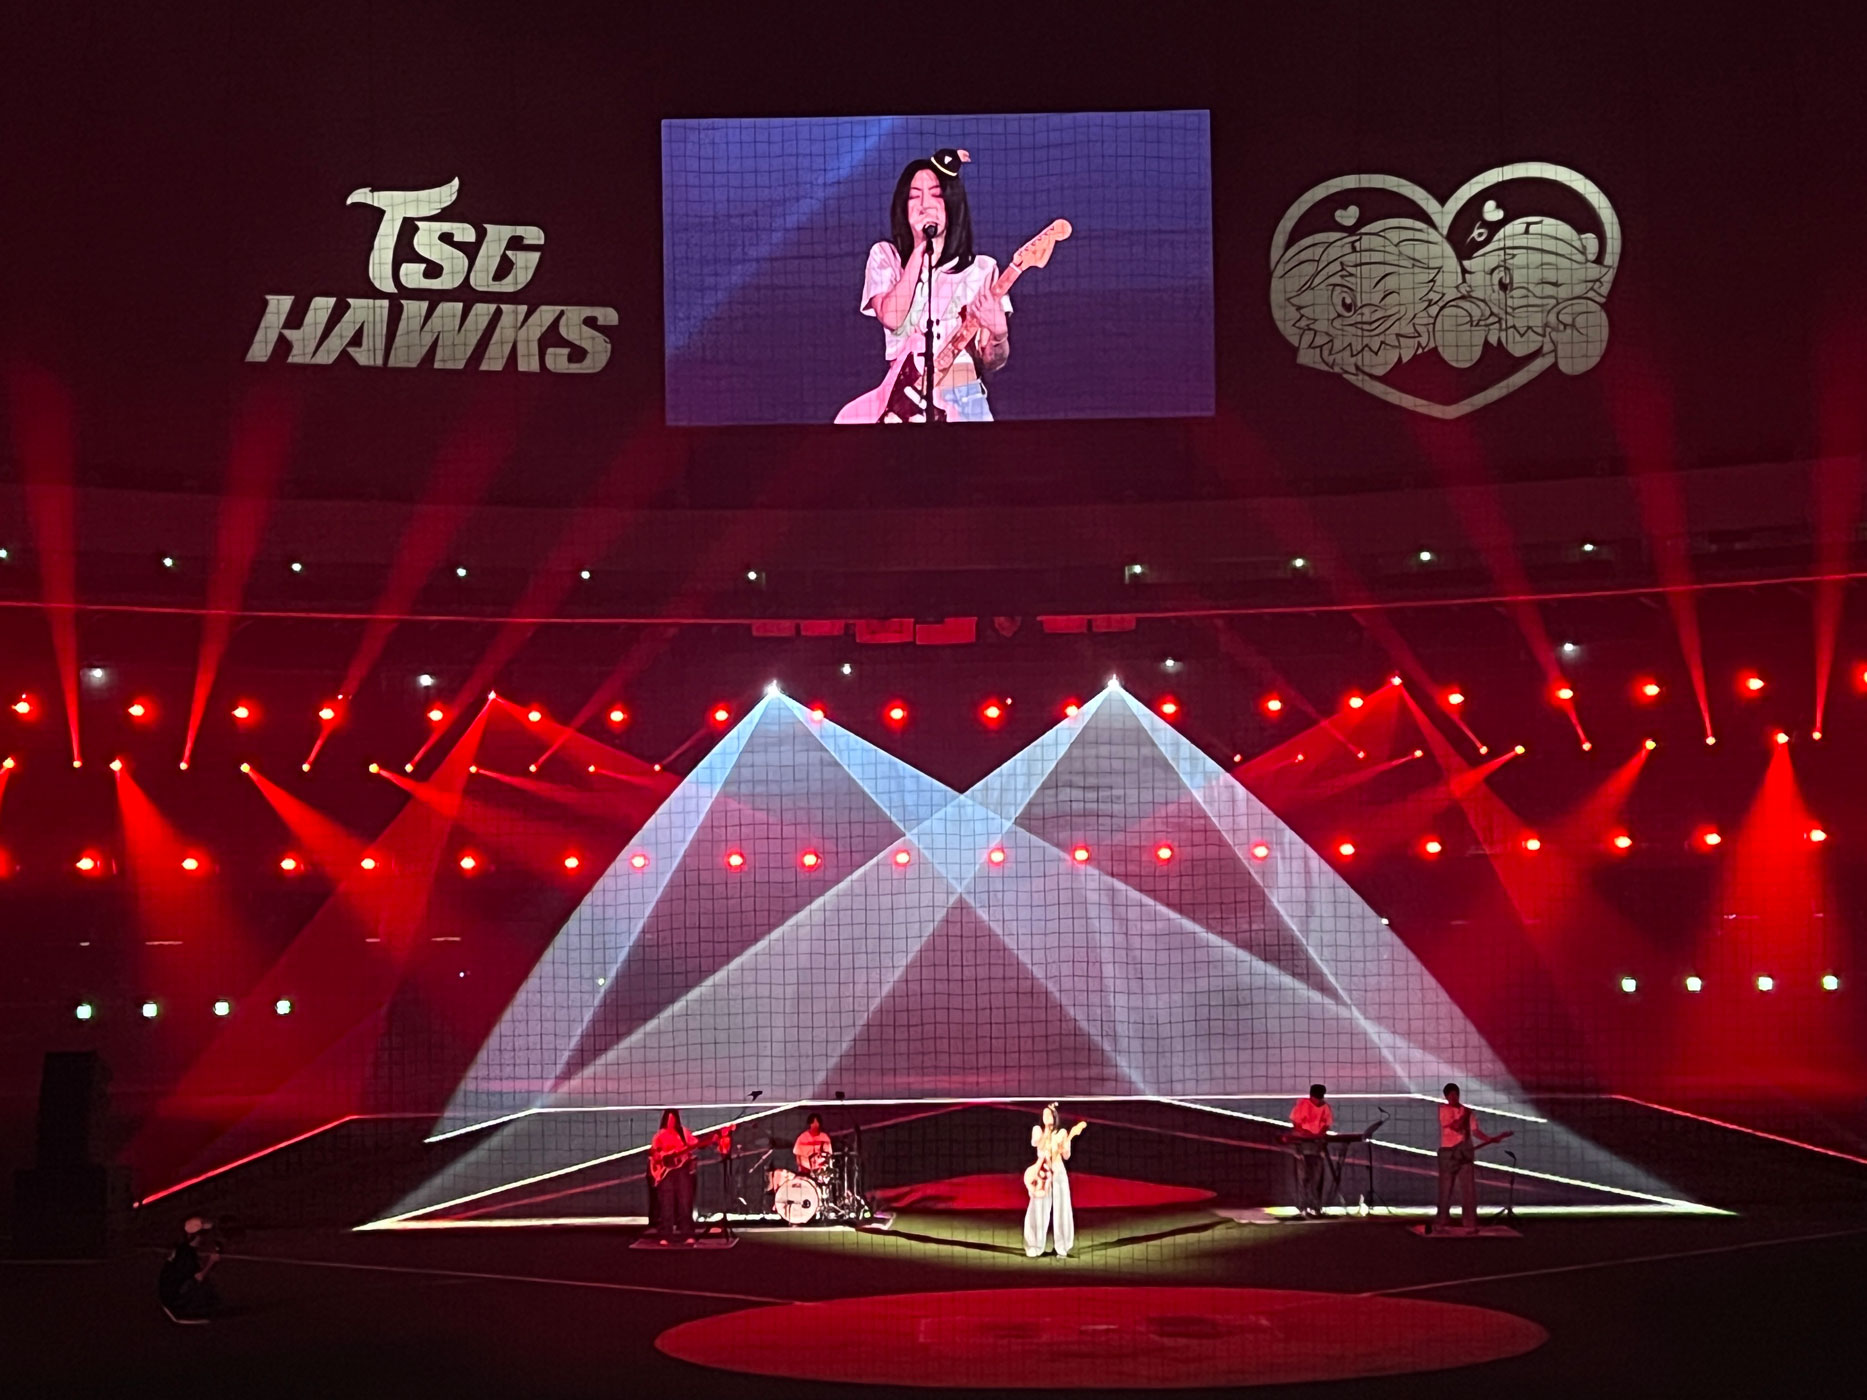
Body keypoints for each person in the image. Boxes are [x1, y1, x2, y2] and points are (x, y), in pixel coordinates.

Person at [859, 148, 1012, 422]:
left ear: (952, 203)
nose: (924, 205)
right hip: (905, 402)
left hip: (963, 398)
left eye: (936, 195)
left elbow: (992, 360)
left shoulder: (982, 269)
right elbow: (893, 319)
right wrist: (920, 248)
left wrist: (999, 334)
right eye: (914, 196)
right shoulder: (885, 257)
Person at [1435, 1083, 1506, 1232]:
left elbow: (1475, 1131)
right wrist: (1464, 1116)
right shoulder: (1444, 1110)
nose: (1453, 1097)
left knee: (1469, 1190)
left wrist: (1489, 1139)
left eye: (1455, 1094)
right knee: (1445, 1189)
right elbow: (1455, 1126)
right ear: (1446, 1097)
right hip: (1448, 1154)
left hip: (1465, 1152)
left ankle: (1469, 1222)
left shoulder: (1468, 1111)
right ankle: (1442, 1221)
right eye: (1450, 1095)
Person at [1023, 1103, 1086, 1259]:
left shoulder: (1062, 1133)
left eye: (1049, 1114)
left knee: (1062, 1208)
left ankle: (1062, 1247)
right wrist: (1047, 1133)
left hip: (1058, 1172)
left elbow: (1066, 1156)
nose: (1046, 1117)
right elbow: (1038, 1144)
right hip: (1042, 1172)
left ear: (1055, 1116)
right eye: (1044, 1114)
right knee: (1037, 1208)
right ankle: (1034, 1246)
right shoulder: (1037, 1131)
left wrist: (1065, 1145)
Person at [648, 1109, 700, 1245]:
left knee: (685, 1202)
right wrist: (660, 1156)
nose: (671, 1122)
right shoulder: (660, 1135)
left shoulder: (684, 1133)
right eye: (669, 1119)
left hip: (682, 1170)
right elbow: (653, 1153)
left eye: (673, 1119)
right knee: (666, 1203)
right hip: (666, 1173)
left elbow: (695, 1144)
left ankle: (687, 1234)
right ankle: (665, 1234)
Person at [157, 1216, 220, 1324]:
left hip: (168, 1293)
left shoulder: (184, 1248)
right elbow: (197, 1277)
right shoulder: (187, 1254)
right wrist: (211, 1263)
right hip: (173, 1296)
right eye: (205, 1234)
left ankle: (185, 1305)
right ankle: (182, 1310)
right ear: (198, 1235)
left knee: (203, 1280)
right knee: (203, 1282)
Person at [1288, 1083, 1334, 1217]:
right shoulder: (1302, 1105)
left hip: (1318, 1145)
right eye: (1317, 1098)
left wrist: (1319, 1134)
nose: (1319, 1101)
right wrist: (1307, 1134)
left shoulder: (1325, 1107)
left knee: (1317, 1178)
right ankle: (1302, 1207)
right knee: (1303, 1178)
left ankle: (1315, 1207)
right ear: (1311, 1096)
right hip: (1302, 1145)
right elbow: (1296, 1124)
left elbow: (1327, 1124)